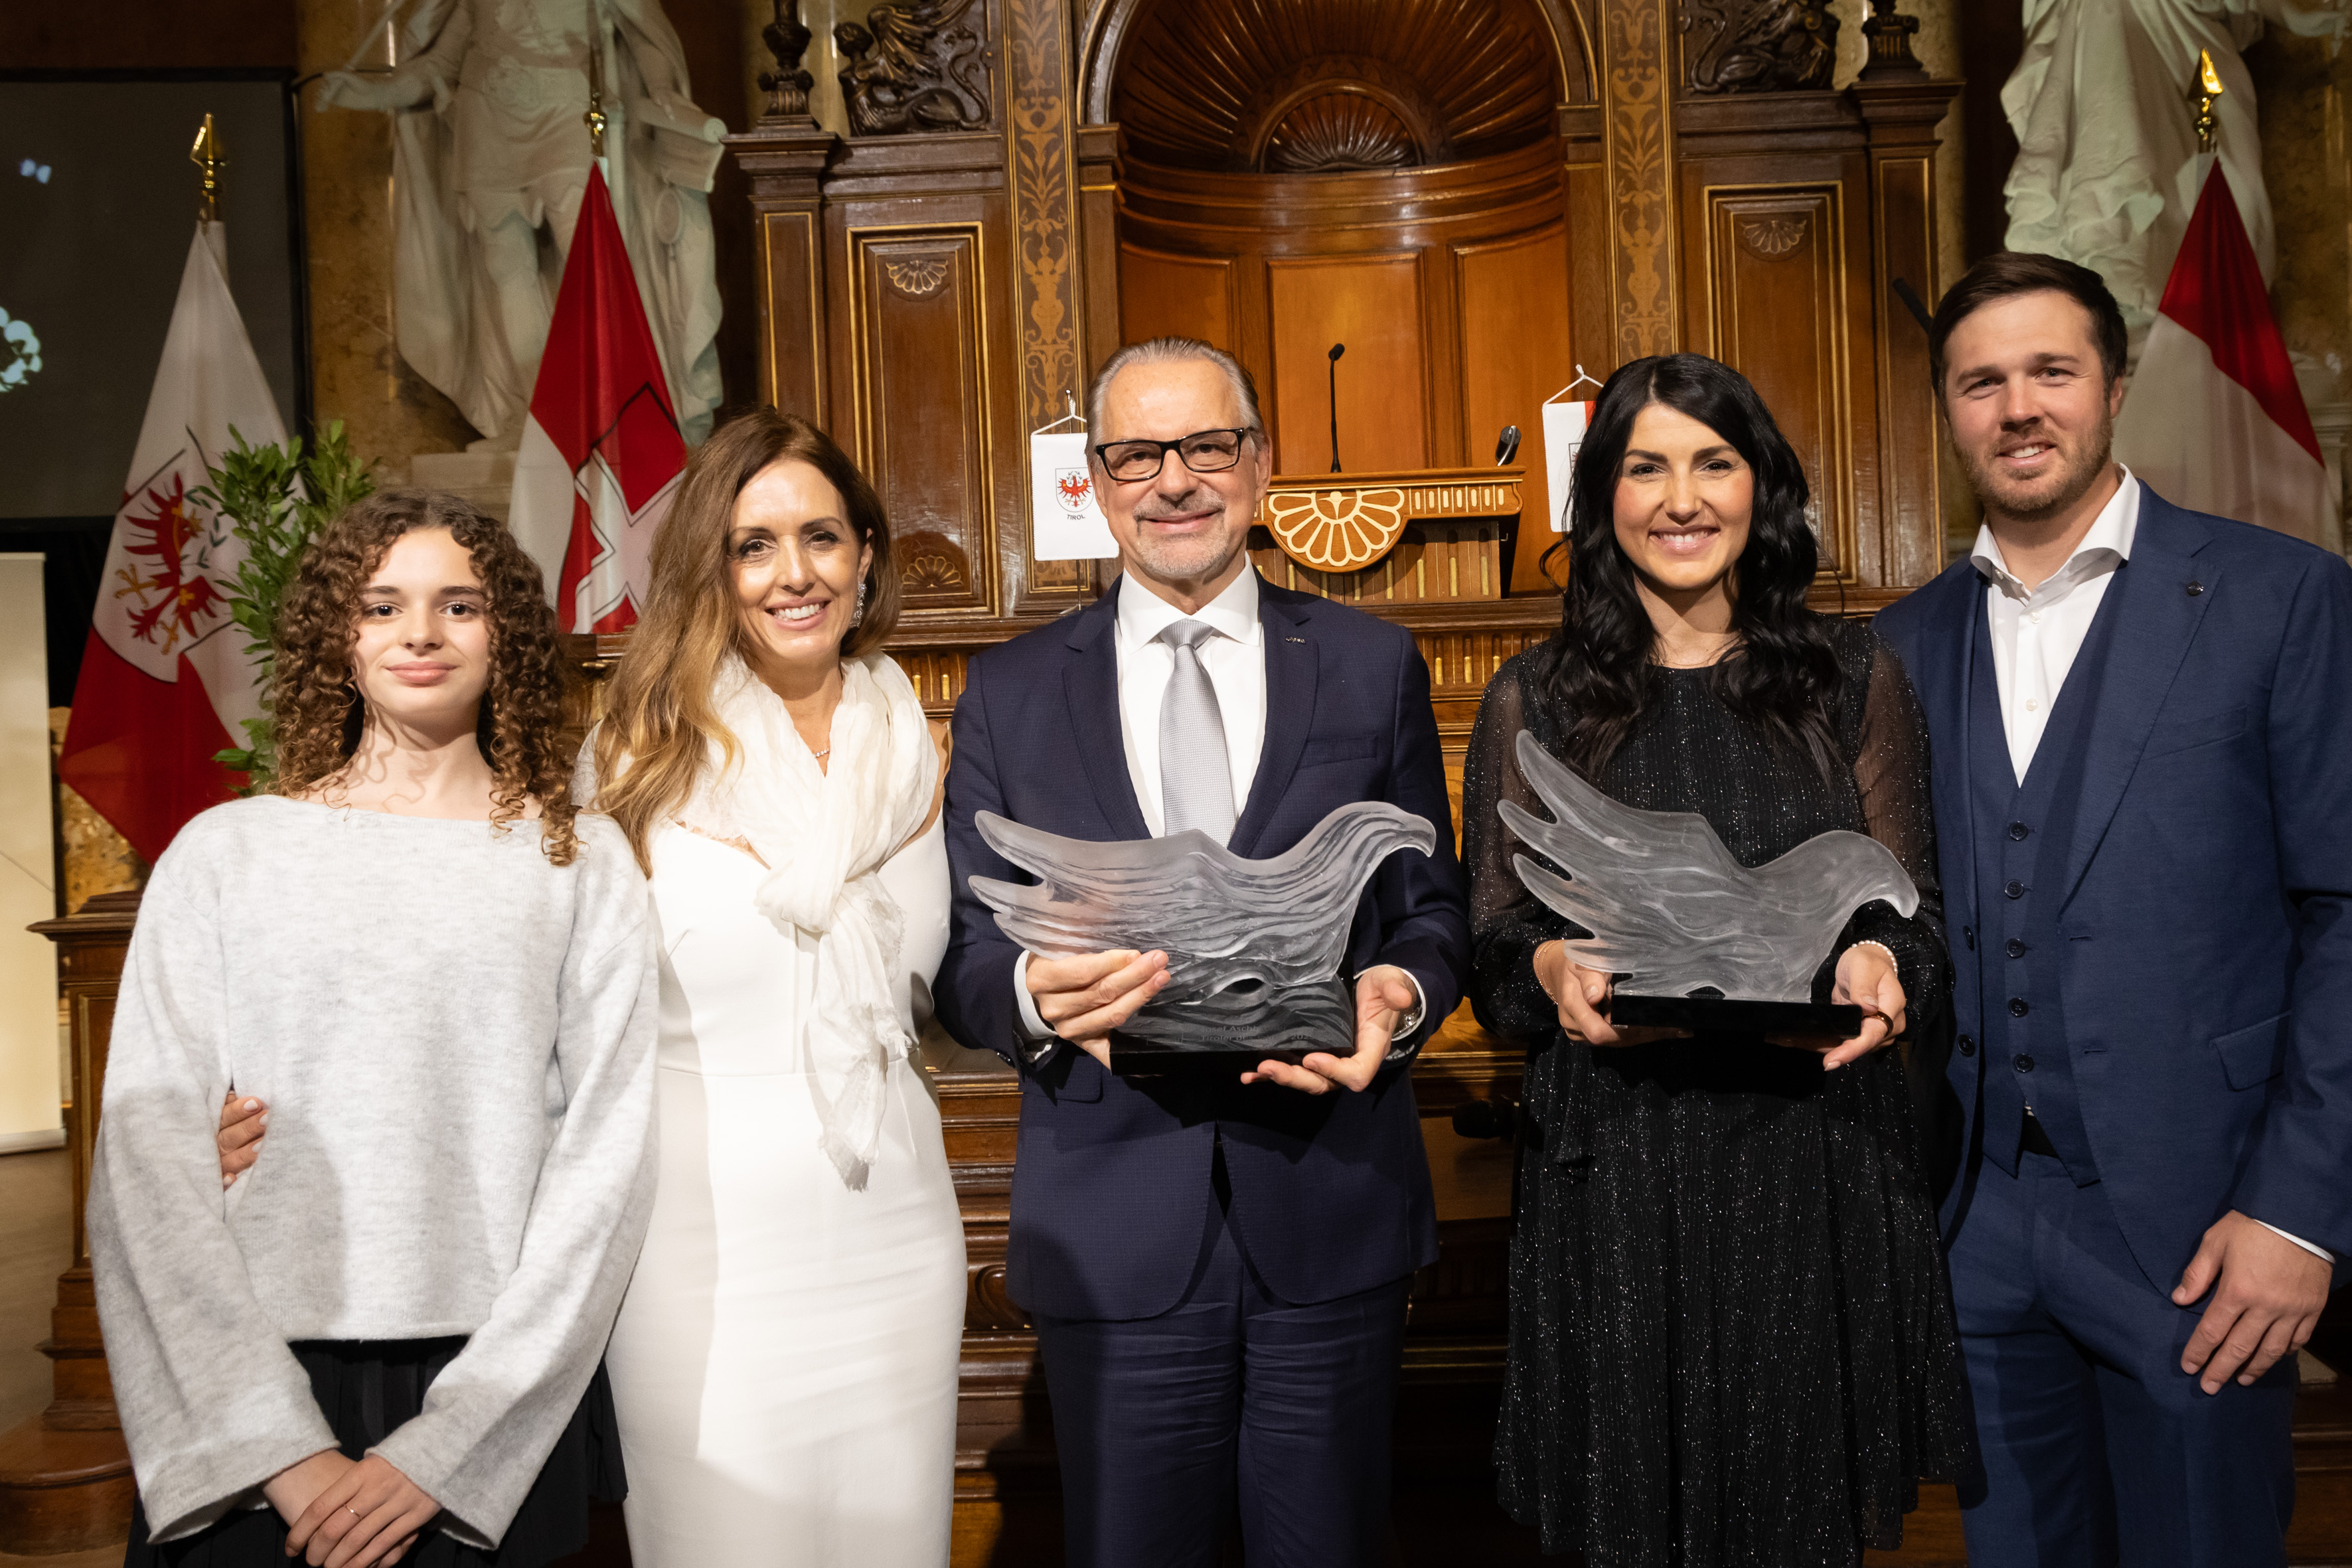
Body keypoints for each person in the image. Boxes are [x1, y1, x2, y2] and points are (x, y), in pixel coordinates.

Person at [933, 337, 1470, 1568]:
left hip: (1329, 1204)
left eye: (1207, 446)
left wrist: (1399, 990)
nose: (1173, 479)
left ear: (1261, 463)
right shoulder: (1011, 690)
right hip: (1114, 1219)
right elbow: (967, 952)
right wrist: (1033, 992)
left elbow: (1430, 907)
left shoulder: (1370, 663)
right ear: (1096, 479)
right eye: (1137, 453)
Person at [1875, 251, 2352, 1567]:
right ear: (1947, 407)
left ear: (2114, 386)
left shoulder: (2279, 596)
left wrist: (2297, 1212)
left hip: (2204, 1224)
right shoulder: (1898, 645)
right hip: (1974, 1224)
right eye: (1981, 382)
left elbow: (2344, 908)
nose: (2017, 407)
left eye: (2050, 371)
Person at [1460, 353, 1974, 1567]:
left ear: (1762, 488)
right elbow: (1496, 952)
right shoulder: (1535, 697)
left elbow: (1913, 919)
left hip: (1809, 1163)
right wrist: (1550, 973)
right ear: (1603, 495)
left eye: (1714, 463)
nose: (1682, 499)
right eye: (1647, 467)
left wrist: (1882, 965)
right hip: (1619, 1171)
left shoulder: (1851, 678)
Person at [90, 489, 658, 1568]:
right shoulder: (225, 854)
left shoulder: (581, 861)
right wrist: (278, 1445)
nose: (421, 633)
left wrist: (453, 1445)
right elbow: (146, 1167)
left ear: (507, 635)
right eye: (382, 604)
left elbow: (607, 1166)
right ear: (337, 638)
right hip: (249, 1377)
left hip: (496, 1386)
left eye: (460, 605)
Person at [576, 409, 963, 1563]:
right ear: (713, 568)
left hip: (897, 1227)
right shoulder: (632, 761)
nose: (795, 573)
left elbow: (954, 981)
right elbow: (553, 1010)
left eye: (821, 537)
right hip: (702, 1254)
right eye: (755, 545)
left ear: (865, 555)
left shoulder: (915, 743)